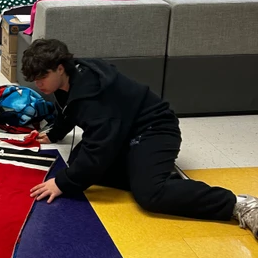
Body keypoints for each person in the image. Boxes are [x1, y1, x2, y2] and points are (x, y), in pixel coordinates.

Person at [22, 38, 258, 239]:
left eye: (42, 77)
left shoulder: (93, 94)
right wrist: (54, 133)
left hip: (154, 128)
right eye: (34, 79)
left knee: (150, 194)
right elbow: (69, 109)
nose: (38, 84)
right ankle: (149, 169)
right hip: (123, 129)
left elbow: (98, 150)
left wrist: (62, 183)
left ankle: (239, 205)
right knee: (78, 161)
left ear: (60, 68)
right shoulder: (72, 77)